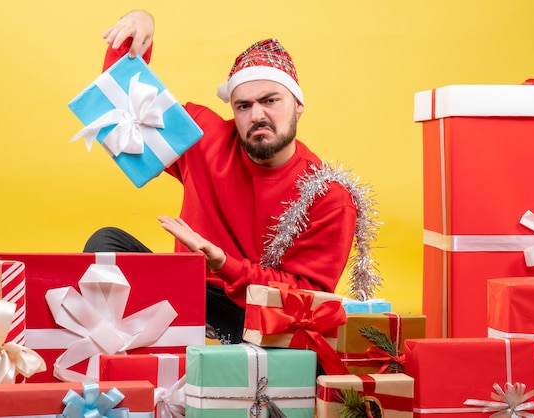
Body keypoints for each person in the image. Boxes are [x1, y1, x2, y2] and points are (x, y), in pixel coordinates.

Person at [83, 10, 379, 344]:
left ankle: (192, 344)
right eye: (244, 106)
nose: (257, 115)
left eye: (270, 101)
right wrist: (137, 31)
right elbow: (121, 112)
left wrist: (223, 263)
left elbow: (305, 301)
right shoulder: (204, 137)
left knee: (287, 335)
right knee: (105, 245)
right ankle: (137, 346)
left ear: (298, 105)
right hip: (182, 290)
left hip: (250, 313)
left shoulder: (329, 196)